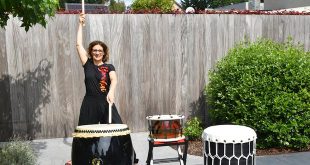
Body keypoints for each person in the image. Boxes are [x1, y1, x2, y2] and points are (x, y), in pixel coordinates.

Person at [76, 13, 139, 164]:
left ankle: (130, 156)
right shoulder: (88, 64)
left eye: (100, 50)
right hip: (89, 104)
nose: (97, 52)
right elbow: (78, 45)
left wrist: (111, 91)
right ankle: (81, 159)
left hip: (106, 103)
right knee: (84, 133)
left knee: (119, 130)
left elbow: (114, 79)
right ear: (91, 52)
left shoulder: (108, 66)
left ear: (104, 53)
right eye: (94, 50)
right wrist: (80, 24)